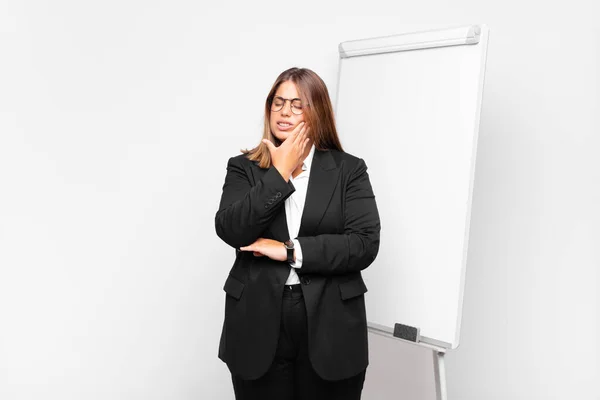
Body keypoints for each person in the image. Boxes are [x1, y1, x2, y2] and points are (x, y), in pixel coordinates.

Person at [214, 67, 381, 400]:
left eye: (296, 104)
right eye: (278, 103)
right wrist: (279, 172)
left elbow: (364, 244)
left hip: (331, 321)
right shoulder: (243, 167)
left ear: (315, 110)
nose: (284, 112)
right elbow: (232, 229)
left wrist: (290, 251)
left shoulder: (349, 170)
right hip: (258, 319)